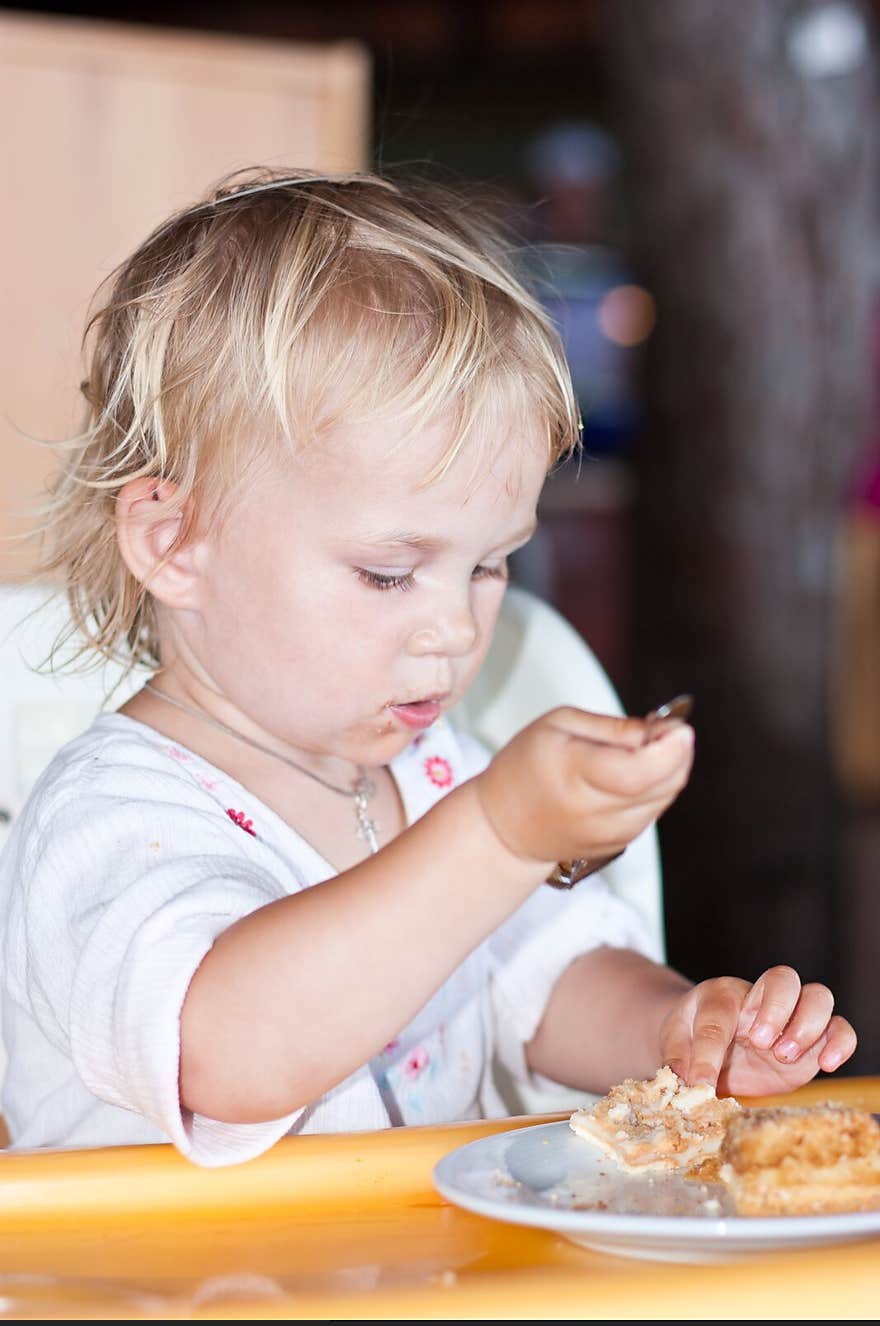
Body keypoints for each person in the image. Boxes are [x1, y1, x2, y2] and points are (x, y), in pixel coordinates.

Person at [0, 168, 855, 1167]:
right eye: (389, 572)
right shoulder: (107, 820)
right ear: (175, 541)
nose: (455, 627)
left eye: (490, 563)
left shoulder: (431, 768)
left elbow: (539, 976)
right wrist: (496, 834)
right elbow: (233, 1049)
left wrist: (679, 1031)